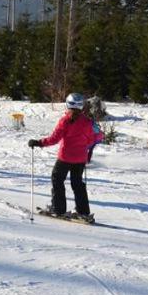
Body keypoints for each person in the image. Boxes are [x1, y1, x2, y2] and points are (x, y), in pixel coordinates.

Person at [29, 93, 104, 222]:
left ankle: (58, 209)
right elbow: (98, 136)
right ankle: (83, 212)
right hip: (80, 159)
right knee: (77, 184)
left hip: (65, 157)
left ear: (68, 104)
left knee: (57, 180)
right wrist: (88, 143)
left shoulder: (65, 120)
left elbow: (54, 139)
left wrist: (39, 142)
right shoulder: (87, 122)